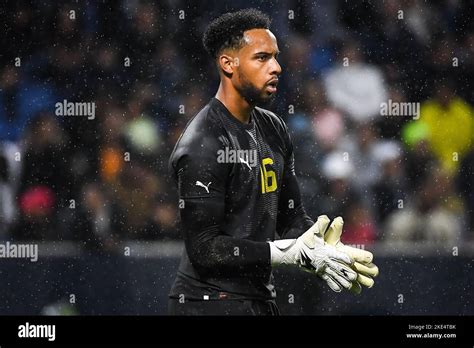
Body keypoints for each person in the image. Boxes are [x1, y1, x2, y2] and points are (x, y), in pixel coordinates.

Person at [168, 8, 377, 316]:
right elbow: (204, 249)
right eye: (262, 58)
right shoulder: (204, 141)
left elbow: (289, 217)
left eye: (276, 57)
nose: (277, 67)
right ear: (228, 63)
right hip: (206, 305)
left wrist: (323, 249)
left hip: (260, 301)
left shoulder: (274, 127)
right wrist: (287, 253)